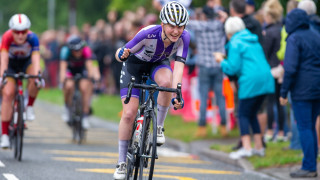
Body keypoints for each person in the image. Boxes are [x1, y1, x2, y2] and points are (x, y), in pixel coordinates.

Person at [113, 1, 189, 179]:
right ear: (162, 24)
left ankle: (159, 127)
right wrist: (121, 54)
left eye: (180, 26)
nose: (176, 31)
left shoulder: (185, 37)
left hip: (157, 64)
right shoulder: (148, 33)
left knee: (167, 83)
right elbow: (121, 52)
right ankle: (122, 162)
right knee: (129, 114)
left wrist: (177, 93)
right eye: (171, 26)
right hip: (134, 67)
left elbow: (178, 67)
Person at [214, 17, 274, 159]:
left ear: (229, 33)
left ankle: (246, 148)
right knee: (252, 113)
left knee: (243, 114)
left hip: (250, 81)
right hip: (266, 79)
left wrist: (221, 61)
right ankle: (259, 147)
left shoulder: (235, 43)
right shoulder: (253, 40)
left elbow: (232, 68)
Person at [279, 9, 320, 178]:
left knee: (304, 127)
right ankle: (311, 164)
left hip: (302, 89)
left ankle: (309, 166)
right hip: (317, 87)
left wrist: (283, 92)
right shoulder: (316, 33)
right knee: (311, 126)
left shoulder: (294, 38)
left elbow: (290, 68)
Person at [0, 14, 44, 148]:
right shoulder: (6, 37)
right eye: (17, 32)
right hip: (11, 64)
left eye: (23, 32)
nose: (20, 35)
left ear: (28, 31)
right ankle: (5, 135)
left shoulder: (33, 38)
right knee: (8, 94)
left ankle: (29, 106)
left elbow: (36, 60)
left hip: (26, 62)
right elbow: (3, 60)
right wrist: (3, 77)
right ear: (11, 31)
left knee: (35, 78)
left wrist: (37, 76)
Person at [187, 4, 228, 138]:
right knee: (220, 97)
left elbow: (185, 22)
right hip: (217, 65)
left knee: (203, 97)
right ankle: (223, 126)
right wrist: (222, 16)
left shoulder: (199, 25)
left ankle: (202, 127)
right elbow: (226, 21)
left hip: (204, 65)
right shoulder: (220, 25)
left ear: (204, 15)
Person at [59, 35, 99, 129]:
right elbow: (62, 68)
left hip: (82, 69)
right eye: (75, 51)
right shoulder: (65, 51)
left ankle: (85, 115)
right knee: (68, 86)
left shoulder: (86, 50)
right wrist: (62, 80)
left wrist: (91, 78)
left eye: (79, 50)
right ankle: (67, 108)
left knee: (85, 87)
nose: (77, 53)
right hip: (70, 70)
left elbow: (90, 67)